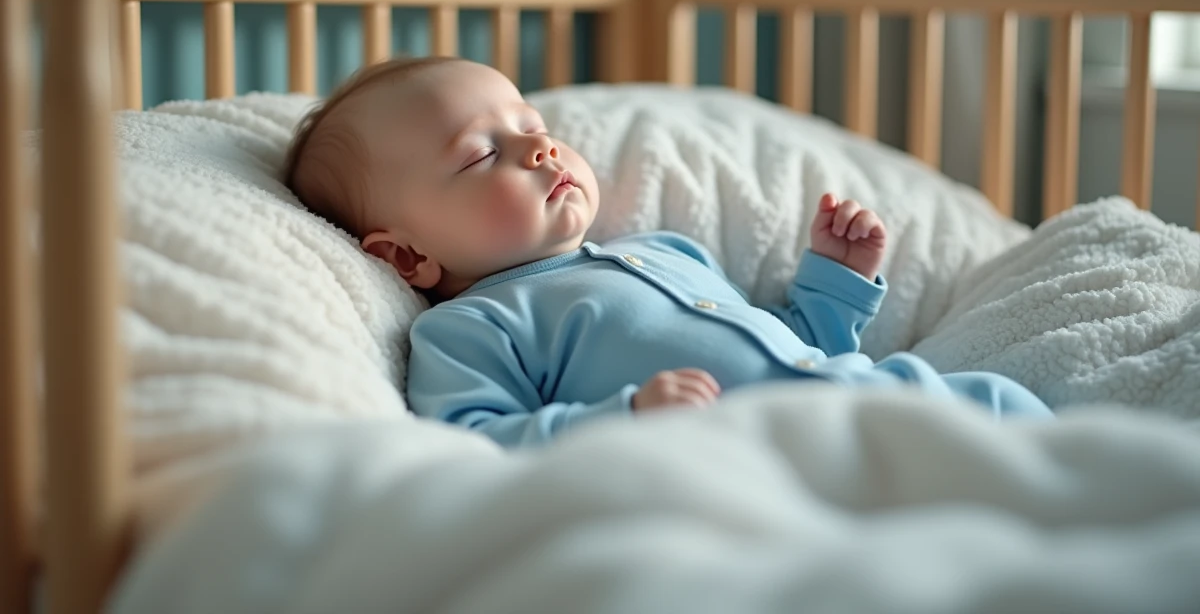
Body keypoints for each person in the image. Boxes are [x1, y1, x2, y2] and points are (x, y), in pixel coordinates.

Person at [285, 56, 1052, 448]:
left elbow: (795, 341)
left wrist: (835, 279)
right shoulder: (473, 328)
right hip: (763, 452)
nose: (541, 149)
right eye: (483, 155)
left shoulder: (665, 249)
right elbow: (478, 444)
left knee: (997, 402)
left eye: (530, 123)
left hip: (868, 392)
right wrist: (624, 418)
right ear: (406, 258)